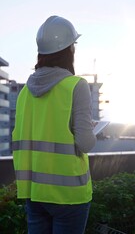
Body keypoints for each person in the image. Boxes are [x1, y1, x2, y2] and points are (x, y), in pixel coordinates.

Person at [12, 15, 96, 234]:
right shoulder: (76, 86)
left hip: (35, 193)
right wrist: (90, 128)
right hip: (69, 196)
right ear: (69, 50)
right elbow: (85, 143)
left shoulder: (24, 93)